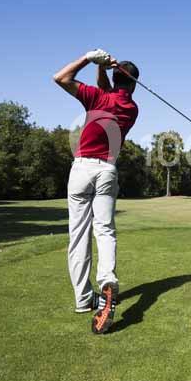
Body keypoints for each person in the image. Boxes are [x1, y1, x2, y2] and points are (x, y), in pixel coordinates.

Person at [53, 49, 140, 334]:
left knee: (78, 236)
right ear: (134, 85)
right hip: (107, 171)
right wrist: (104, 69)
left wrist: (89, 59)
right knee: (104, 230)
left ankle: (83, 299)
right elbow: (110, 92)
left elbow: (61, 77)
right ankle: (107, 282)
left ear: (116, 79)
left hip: (82, 170)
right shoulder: (131, 109)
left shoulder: (97, 98)